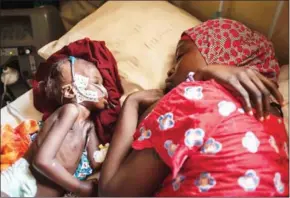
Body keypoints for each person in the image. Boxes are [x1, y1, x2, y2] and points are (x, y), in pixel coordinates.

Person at [98, 19, 288, 196]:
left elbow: (112, 193)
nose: (170, 71)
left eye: (180, 56)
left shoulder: (193, 97)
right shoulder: (277, 127)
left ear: (218, 52)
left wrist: (131, 103)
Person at [0, 38, 123, 197]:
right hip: (18, 184)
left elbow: (96, 161)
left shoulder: (90, 126)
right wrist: (80, 187)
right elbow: (43, 160)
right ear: (71, 92)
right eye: (96, 82)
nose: (104, 90)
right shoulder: (70, 111)